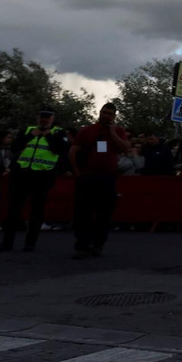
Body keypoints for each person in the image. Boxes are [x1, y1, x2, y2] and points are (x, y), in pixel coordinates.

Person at [0, 106, 69, 253]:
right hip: (22, 173)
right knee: (13, 210)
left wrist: (47, 136)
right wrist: (31, 136)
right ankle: (6, 243)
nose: (44, 119)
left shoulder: (58, 133)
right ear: (38, 117)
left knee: (37, 210)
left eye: (47, 117)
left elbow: (61, 150)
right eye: (42, 116)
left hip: (43, 175)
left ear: (53, 119)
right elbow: (15, 147)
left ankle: (30, 243)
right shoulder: (28, 131)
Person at [70, 102, 132, 259]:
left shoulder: (118, 131)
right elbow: (73, 151)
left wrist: (112, 133)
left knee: (104, 213)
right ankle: (82, 245)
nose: (106, 115)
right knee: (83, 212)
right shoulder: (87, 131)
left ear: (114, 116)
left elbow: (125, 148)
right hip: (87, 177)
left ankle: (98, 244)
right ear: (99, 113)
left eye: (110, 113)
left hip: (108, 177)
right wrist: (77, 171)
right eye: (104, 112)